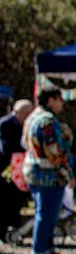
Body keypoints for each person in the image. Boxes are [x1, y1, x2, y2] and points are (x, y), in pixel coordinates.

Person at [20, 89, 74, 254]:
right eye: (60, 99)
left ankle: (47, 249)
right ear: (51, 100)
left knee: (43, 212)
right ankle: (41, 253)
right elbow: (54, 152)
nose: (62, 104)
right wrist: (67, 168)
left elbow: (24, 143)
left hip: (33, 170)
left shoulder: (33, 116)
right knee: (47, 214)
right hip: (48, 174)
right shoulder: (47, 121)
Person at [1, 99, 32, 240]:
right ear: (16, 112)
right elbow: (5, 148)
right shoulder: (5, 124)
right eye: (25, 113)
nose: (27, 116)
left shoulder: (28, 124)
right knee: (6, 200)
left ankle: (15, 231)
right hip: (6, 168)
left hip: (22, 168)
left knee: (18, 199)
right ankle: (3, 232)